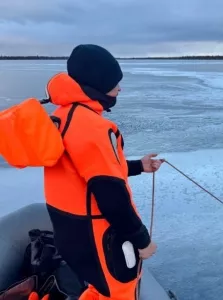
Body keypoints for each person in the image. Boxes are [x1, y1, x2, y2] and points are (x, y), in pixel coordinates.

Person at [43, 44, 164, 300]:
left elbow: (86, 171)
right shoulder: (93, 127)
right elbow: (111, 194)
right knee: (119, 292)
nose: (120, 88)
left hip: (71, 232)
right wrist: (142, 240)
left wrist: (137, 166)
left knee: (98, 290)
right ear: (97, 83)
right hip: (99, 237)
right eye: (114, 82)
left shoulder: (64, 115)